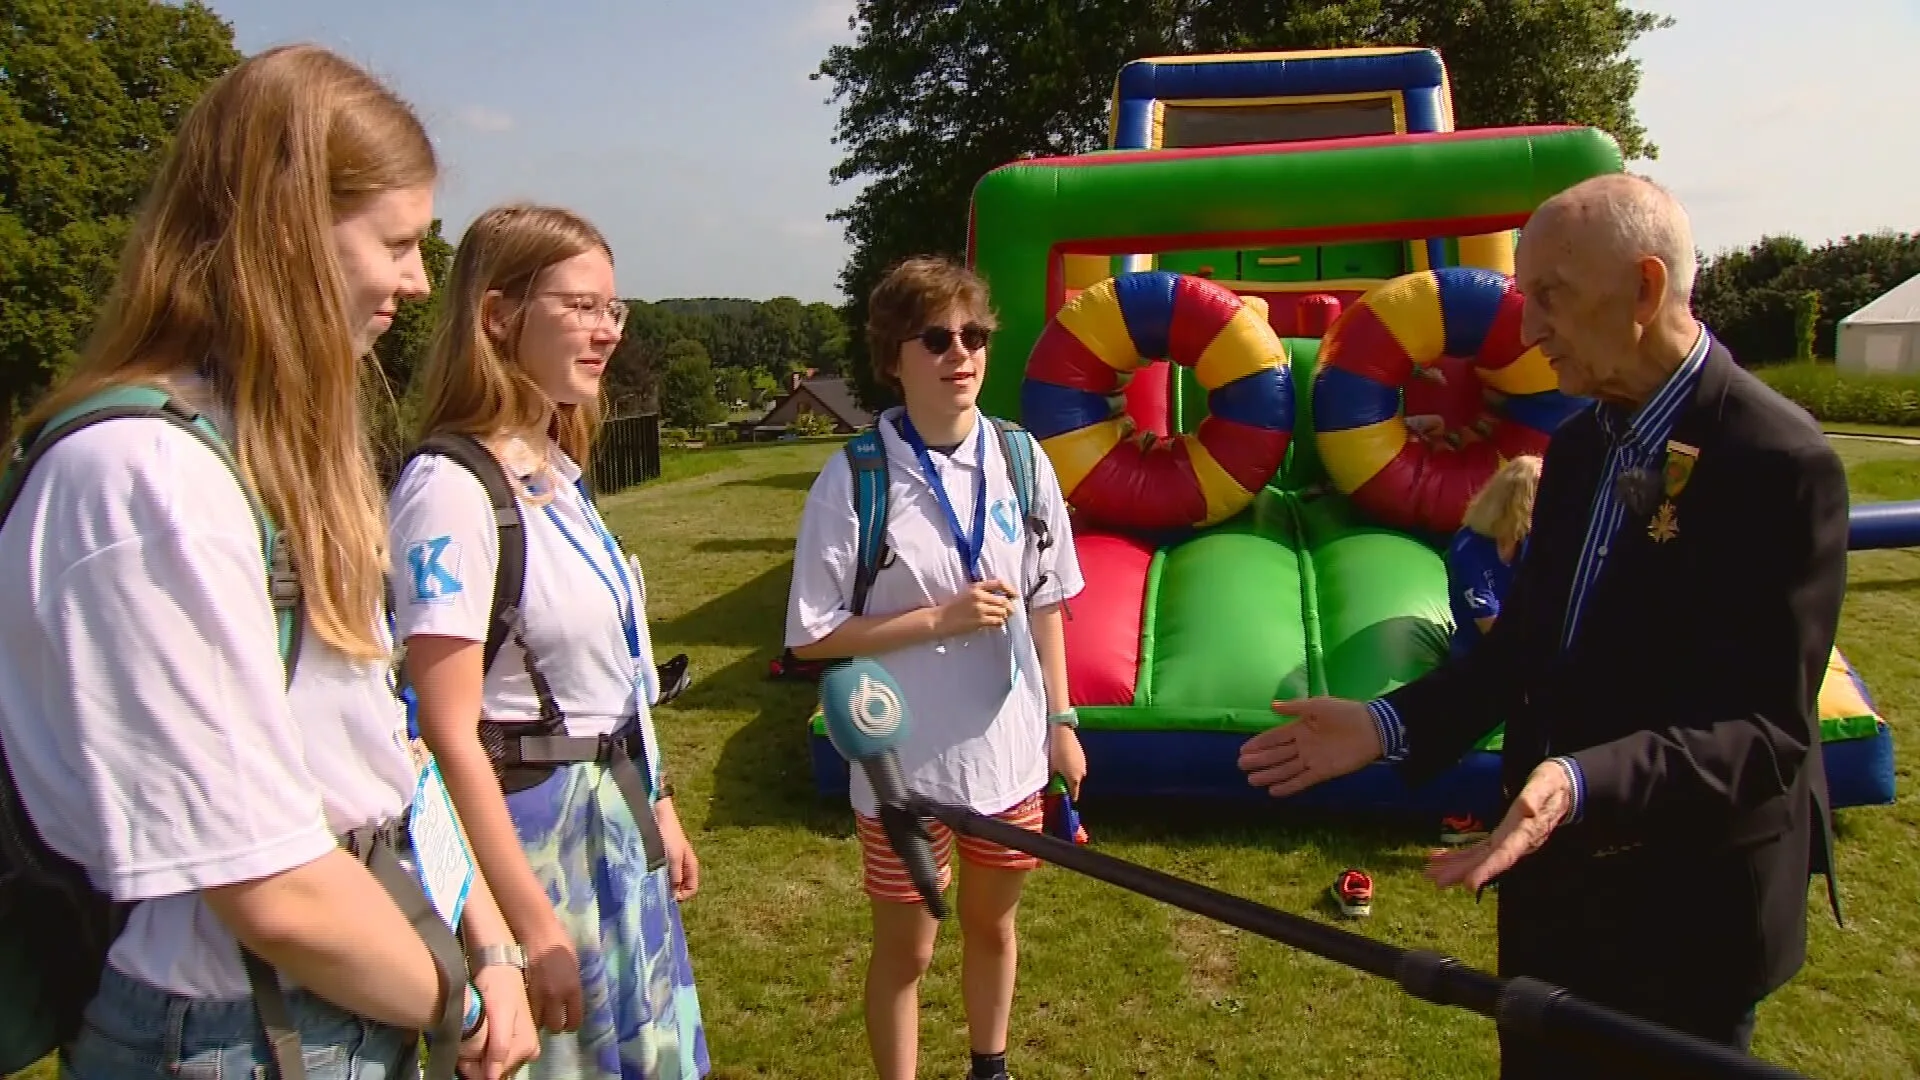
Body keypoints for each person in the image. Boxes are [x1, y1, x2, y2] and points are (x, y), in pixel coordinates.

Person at [0, 45, 537, 1080]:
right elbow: (273, 890)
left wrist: (491, 942)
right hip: (239, 1030)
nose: (420, 280)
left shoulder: (249, 455)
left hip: (335, 999)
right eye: (395, 241)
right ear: (286, 233)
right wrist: (460, 993)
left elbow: (383, 758)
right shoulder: (144, 480)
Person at [1237, 174, 1848, 1078]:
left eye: (1550, 297)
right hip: (1552, 893)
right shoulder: (1582, 445)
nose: (1526, 330)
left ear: (1644, 289)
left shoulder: (1779, 463)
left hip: (1690, 917)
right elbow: (1527, 645)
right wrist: (1387, 723)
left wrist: (1576, 779)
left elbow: (1765, 733)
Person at [389, 203, 710, 1080]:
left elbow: (612, 681)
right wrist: (527, 923)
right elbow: (444, 733)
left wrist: (663, 804)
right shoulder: (450, 489)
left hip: (614, 825)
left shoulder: (559, 477)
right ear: (497, 317)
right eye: (580, 306)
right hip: (533, 845)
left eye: (615, 309)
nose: (606, 331)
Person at [784, 255, 1087, 1080]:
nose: (962, 353)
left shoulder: (1024, 459)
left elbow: (1047, 600)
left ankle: (990, 1068)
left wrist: (1061, 722)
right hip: (900, 772)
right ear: (894, 357)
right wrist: (938, 621)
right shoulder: (855, 476)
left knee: (993, 927)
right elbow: (812, 638)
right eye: (937, 338)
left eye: (975, 335)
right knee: (909, 951)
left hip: (1012, 757)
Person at [1447, 454, 1541, 662]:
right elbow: (1490, 628)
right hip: (1477, 650)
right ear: (1521, 504)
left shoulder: (1528, 539)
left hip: (1522, 640)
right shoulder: (1469, 549)